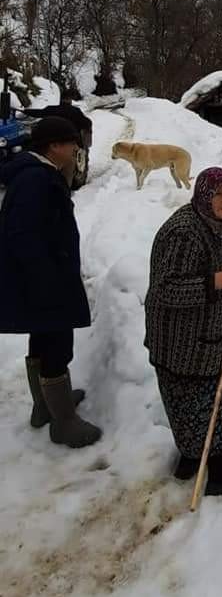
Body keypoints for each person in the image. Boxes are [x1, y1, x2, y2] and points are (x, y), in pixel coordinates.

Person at [145, 166, 222, 496]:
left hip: (204, 336)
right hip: (181, 341)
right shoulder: (184, 233)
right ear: (203, 195)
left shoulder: (218, 225)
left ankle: (191, 457)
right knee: (203, 404)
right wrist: (217, 281)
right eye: (219, 194)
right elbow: (165, 289)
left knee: (194, 403)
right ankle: (219, 476)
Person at [0, 116, 102, 446]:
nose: (76, 149)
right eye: (72, 143)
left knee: (43, 338)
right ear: (54, 146)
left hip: (42, 278)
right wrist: (45, 281)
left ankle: (45, 406)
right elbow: (22, 235)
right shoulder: (36, 180)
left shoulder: (38, 173)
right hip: (45, 280)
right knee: (57, 345)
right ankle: (64, 424)